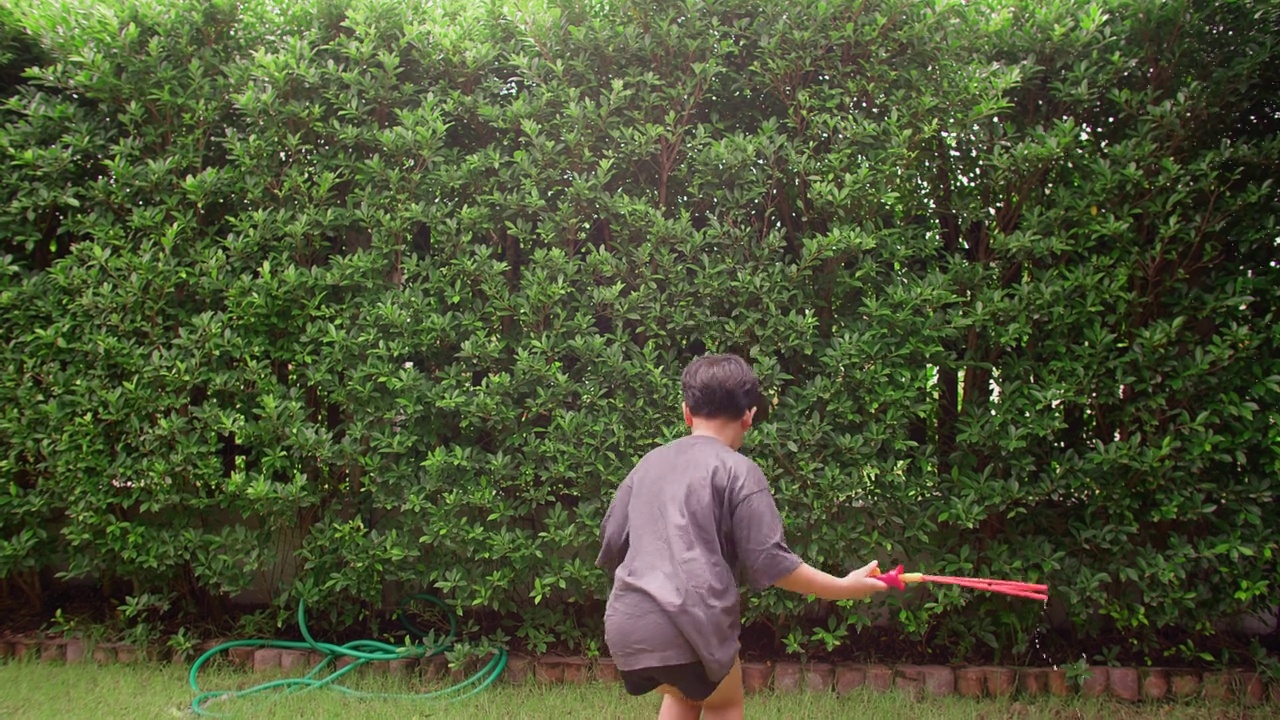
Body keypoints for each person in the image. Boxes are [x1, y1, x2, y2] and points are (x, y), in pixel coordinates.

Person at [596, 353, 887, 720]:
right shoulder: (739, 471)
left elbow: (610, 542)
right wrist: (845, 586)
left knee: (688, 692)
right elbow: (772, 564)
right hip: (692, 626)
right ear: (749, 415)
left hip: (628, 625)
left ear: (686, 412)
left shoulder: (648, 463)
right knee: (724, 701)